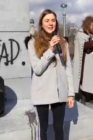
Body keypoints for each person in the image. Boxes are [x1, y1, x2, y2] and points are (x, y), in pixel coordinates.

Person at [27, 9, 75, 140]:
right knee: (43, 128)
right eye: (47, 20)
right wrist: (50, 50)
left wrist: (70, 94)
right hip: (41, 92)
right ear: (41, 24)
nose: (50, 23)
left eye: (53, 20)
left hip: (60, 93)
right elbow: (37, 69)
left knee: (59, 128)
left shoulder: (63, 43)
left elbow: (68, 70)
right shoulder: (33, 43)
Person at [73, 16, 93, 105]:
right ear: (87, 25)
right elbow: (84, 46)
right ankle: (83, 98)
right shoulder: (80, 34)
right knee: (83, 79)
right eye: (92, 25)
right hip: (84, 62)